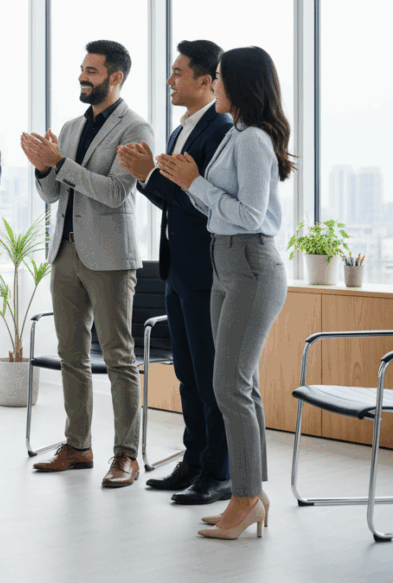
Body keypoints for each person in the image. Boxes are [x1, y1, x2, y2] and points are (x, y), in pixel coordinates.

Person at [156, 46, 293, 539]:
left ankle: (243, 496)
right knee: (241, 386)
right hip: (225, 263)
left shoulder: (253, 139)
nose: (214, 85)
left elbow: (251, 215)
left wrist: (195, 183)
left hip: (252, 265)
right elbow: (216, 209)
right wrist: (187, 184)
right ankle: (252, 493)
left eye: (219, 77)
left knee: (229, 387)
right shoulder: (236, 135)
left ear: (236, 83)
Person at [22, 40, 153, 488]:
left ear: (115, 77)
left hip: (111, 258)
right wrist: (43, 169)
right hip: (65, 253)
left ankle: (126, 455)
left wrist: (60, 163)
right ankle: (78, 446)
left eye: (92, 70)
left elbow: (117, 192)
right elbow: (53, 195)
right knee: (71, 355)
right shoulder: (70, 126)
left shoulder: (135, 128)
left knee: (118, 356)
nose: (83, 76)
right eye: (82, 68)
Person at [118, 40, 234, 505]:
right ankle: (193, 460)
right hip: (177, 270)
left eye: (178, 73)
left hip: (205, 271)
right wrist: (146, 177)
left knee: (210, 378)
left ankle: (220, 472)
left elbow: (203, 205)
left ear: (207, 81)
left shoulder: (219, 130)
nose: (170, 80)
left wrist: (150, 176)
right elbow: (173, 199)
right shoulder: (180, 130)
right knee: (188, 374)